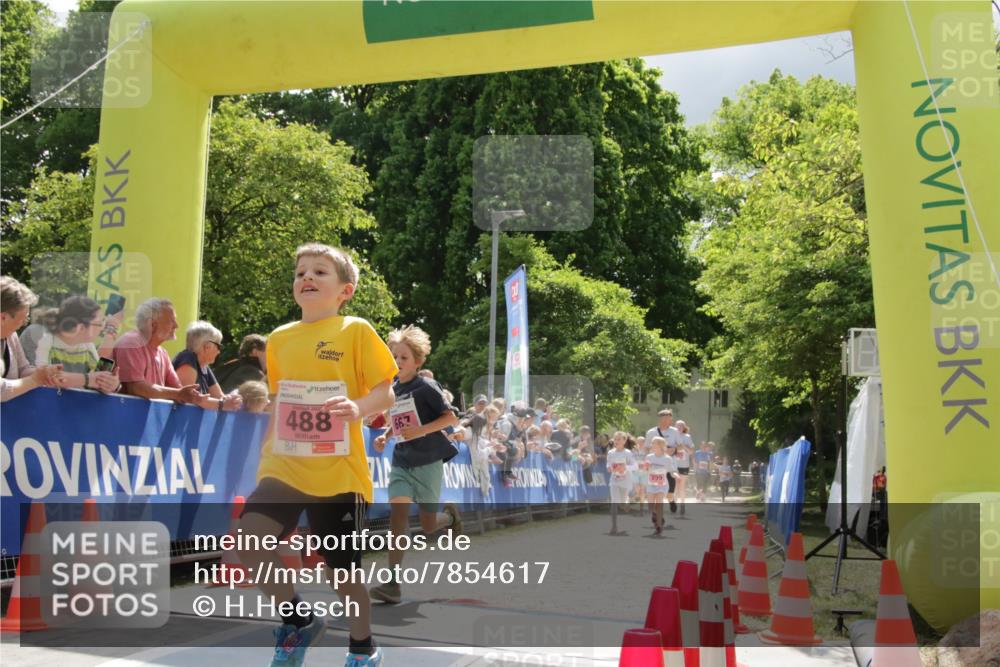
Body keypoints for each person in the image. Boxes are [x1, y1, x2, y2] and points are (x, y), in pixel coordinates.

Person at [236, 243, 397, 667]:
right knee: (250, 536)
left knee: (340, 573)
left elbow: (387, 391)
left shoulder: (355, 330)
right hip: (284, 465)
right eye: (301, 272)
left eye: (320, 272)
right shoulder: (279, 339)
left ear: (345, 290)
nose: (306, 277)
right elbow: (277, 399)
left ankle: (362, 648)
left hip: (339, 472)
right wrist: (266, 452)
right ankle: (298, 620)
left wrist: (358, 408)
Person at [370, 325, 461, 606]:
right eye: (394, 357)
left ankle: (450, 517)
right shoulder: (393, 389)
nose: (398, 362)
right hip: (402, 461)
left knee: (429, 526)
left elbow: (452, 418)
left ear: (418, 361)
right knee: (398, 518)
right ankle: (393, 583)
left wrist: (421, 431)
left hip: (428, 461)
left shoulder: (426, 386)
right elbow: (397, 422)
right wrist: (385, 436)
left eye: (404, 358)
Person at [112, 298, 210, 408]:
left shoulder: (163, 353)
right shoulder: (131, 343)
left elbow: (178, 389)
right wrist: (178, 394)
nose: (176, 326)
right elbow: (136, 388)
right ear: (152, 325)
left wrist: (191, 396)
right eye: (171, 321)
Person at [34, 296, 121, 394]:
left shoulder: (88, 345)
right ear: (81, 327)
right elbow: (44, 378)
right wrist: (87, 379)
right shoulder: (45, 339)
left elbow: (99, 379)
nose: (102, 328)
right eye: (100, 323)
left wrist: (112, 384)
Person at [1, 277, 61, 402]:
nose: (24, 323)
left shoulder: (11, 336)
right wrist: (34, 380)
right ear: (3, 318)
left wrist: (45, 373)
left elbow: (23, 369)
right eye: (23, 319)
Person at [172, 321, 241, 410]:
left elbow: (220, 397)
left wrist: (234, 400)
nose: (219, 351)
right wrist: (222, 404)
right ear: (207, 346)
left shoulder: (204, 366)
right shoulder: (188, 358)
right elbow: (187, 399)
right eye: (218, 346)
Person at [645, 436, 679, 535]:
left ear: (660, 445)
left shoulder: (667, 459)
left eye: (653, 443)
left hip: (662, 485)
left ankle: (659, 526)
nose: (651, 445)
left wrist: (675, 474)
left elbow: (672, 470)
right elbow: (646, 468)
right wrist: (645, 467)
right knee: (651, 508)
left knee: (659, 503)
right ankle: (657, 516)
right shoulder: (649, 457)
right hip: (651, 484)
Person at [606, 431, 636, 535]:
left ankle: (625, 504)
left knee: (621, 503)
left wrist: (625, 467)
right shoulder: (611, 453)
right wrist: (609, 468)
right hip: (614, 480)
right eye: (615, 439)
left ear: (624, 441)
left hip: (625, 481)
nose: (616, 441)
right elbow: (608, 464)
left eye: (619, 439)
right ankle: (614, 527)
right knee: (614, 503)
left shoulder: (627, 453)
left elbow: (635, 466)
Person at [673, 420, 695, 515]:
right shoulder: (672, 437)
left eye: (681, 426)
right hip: (673, 465)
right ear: (674, 427)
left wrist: (684, 446)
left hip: (684, 465)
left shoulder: (687, 437)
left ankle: (682, 505)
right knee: (674, 486)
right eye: (677, 426)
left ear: (684, 427)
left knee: (681, 486)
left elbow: (691, 452)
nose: (679, 428)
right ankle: (673, 503)